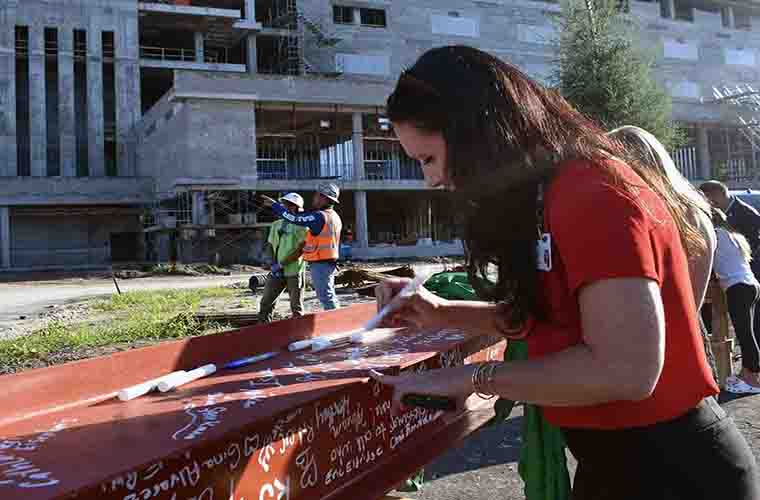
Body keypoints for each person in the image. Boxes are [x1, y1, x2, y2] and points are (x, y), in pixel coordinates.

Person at [370, 46, 758, 499]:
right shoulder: (553, 194)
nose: (431, 181)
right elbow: (551, 320)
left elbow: (626, 370)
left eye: (428, 159)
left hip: (675, 473)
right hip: (622, 463)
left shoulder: (591, 192)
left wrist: (474, 379)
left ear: (476, 133)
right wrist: (439, 311)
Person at [610, 126, 718, 381]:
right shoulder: (690, 210)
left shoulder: (669, 215)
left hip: (670, 341)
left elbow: (684, 300)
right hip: (682, 335)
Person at [262, 183, 343, 310]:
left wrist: (274, 206)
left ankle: (337, 324)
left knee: (326, 297)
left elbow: (294, 219)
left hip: (321, 263)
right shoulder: (332, 216)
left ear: (324, 198)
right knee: (328, 295)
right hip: (326, 262)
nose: (314, 198)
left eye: (316, 195)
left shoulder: (319, 216)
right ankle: (338, 321)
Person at [711, 208, 760, 393]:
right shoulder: (733, 235)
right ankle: (748, 374)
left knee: (745, 334)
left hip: (737, 288)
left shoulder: (715, 235)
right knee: (749, 333)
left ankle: (753, 380)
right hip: (750, 285)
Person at [258, 193, 307, 323]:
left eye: (286, 204)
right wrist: (270, 261)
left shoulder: (302, 226)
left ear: (294, 208)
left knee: (296, 307)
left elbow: (300, 250)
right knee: (266, 303)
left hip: (294, 271)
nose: (283, 207)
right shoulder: (276, 225)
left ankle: (299, 334)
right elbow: (270, 245)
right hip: (276, 271)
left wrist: (281, 264)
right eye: (283, 204)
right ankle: (263, 330)